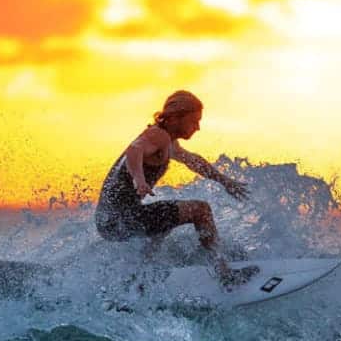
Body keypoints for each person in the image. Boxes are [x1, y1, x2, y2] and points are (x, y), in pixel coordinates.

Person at [94, 90, 258, 287]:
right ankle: (223, 273)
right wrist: (139, 179)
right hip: (120, 218)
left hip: (110, 221)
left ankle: (138, 281)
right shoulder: (157, 135)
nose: (197, 127)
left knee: (165, 222)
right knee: (200, 210)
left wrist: (225, 181)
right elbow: (134, 150)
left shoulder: (167, 141)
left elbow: (193, 161)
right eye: (193, 121)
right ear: (175, 117)